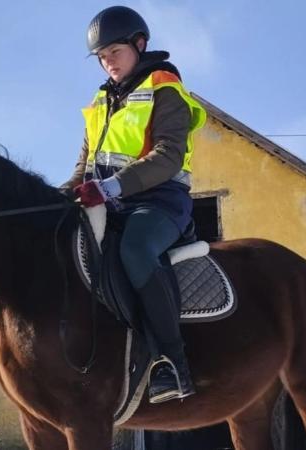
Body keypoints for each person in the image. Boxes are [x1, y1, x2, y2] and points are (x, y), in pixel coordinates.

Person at [61, 5, 206, 403]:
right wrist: (55, 198)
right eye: (102, 57)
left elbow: (168, 156)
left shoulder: (165, 88)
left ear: (139, 45)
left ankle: (172, 363)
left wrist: (109, 189)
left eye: (115, 53)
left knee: (135, 249)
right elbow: (83, 167)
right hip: (112, 203)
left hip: (161, 201)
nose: (108, 62)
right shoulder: (100, 101)